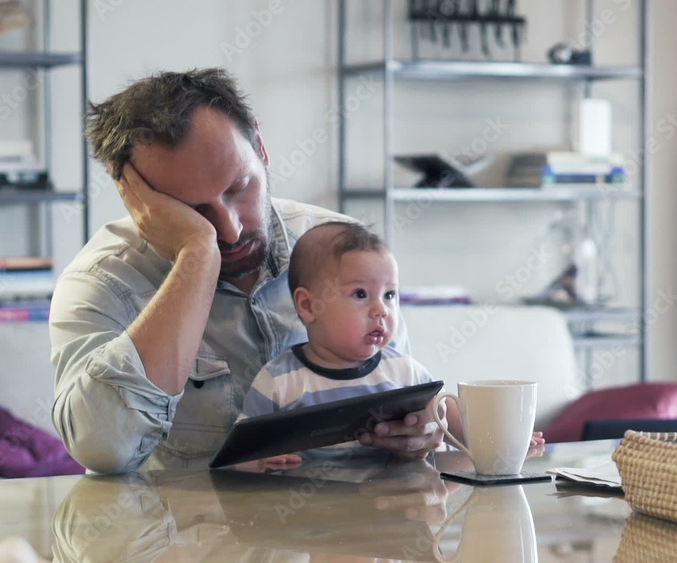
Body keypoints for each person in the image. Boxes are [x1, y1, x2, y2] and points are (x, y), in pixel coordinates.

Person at [49, 68, 443, 474]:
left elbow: (401, 391)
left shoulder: (342, 252)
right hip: (184, 532)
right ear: (139, 202)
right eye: (193, 211)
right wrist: (196, 255)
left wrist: (416, 434)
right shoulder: (102, 282)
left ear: (261, 146)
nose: (230, 229)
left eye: (239, 188)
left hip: (348, 524)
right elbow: (104, 450)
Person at [240, 221, 545, 457]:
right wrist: (257, 461)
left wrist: (503, 444)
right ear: (308, 306)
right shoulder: (280, 381)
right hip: (311, 517)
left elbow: (448, 417)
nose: (381, 310)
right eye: (360, 294)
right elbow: (243, 448)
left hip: (396, 508)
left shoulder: (404, 370)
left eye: (389, 295)